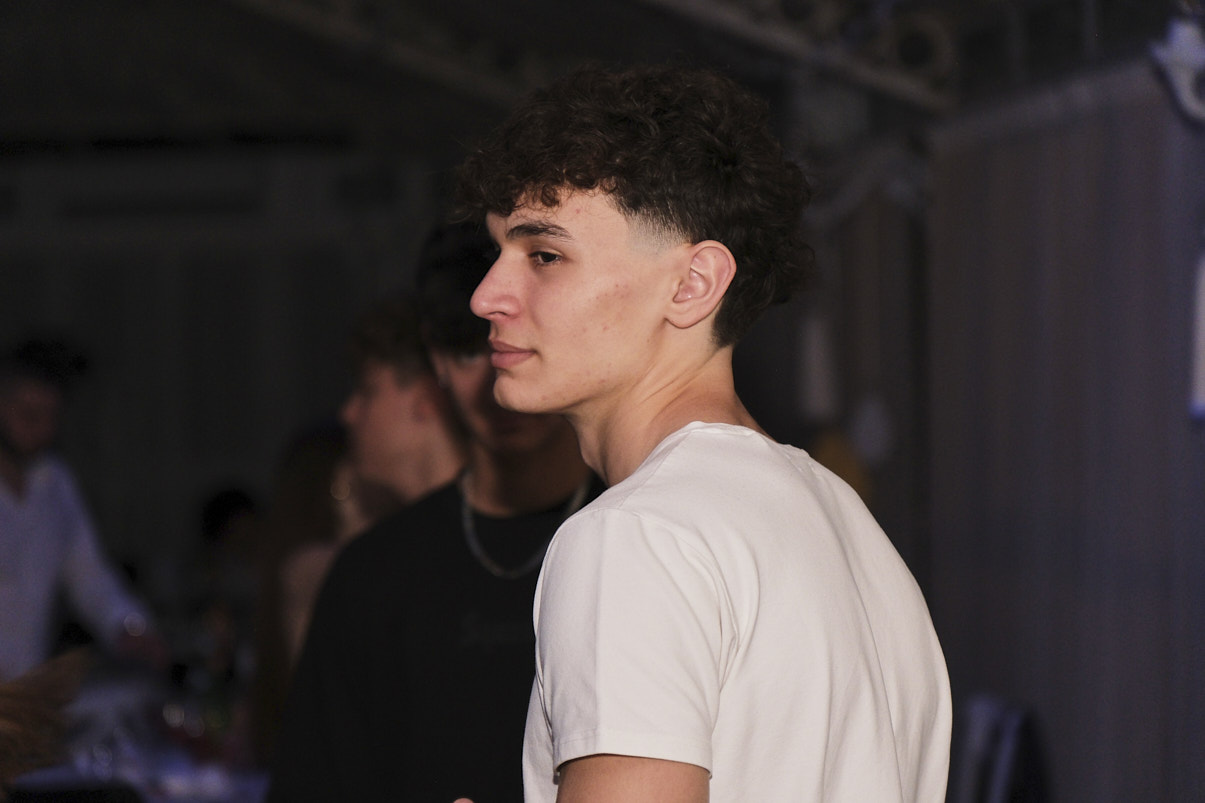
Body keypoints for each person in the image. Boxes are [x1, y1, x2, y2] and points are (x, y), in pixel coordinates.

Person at [457, 63, 952, 801]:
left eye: (545, 256)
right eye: (497, 253)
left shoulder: (635, 535)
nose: (486, 295)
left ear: (692, 285)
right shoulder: (845, 522)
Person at [266, 220, 601, 801]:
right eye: (472, 350)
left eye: (527, 338)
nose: (501, 371)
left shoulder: (630, 537)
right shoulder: (374, 573)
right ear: (438, 362)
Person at [0, 337, 167, 682]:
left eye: (52, 417)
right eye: (30, 416)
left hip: (23, 694)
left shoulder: (55, 483)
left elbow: (90, 577)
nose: (45, 430)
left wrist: (129, 627)